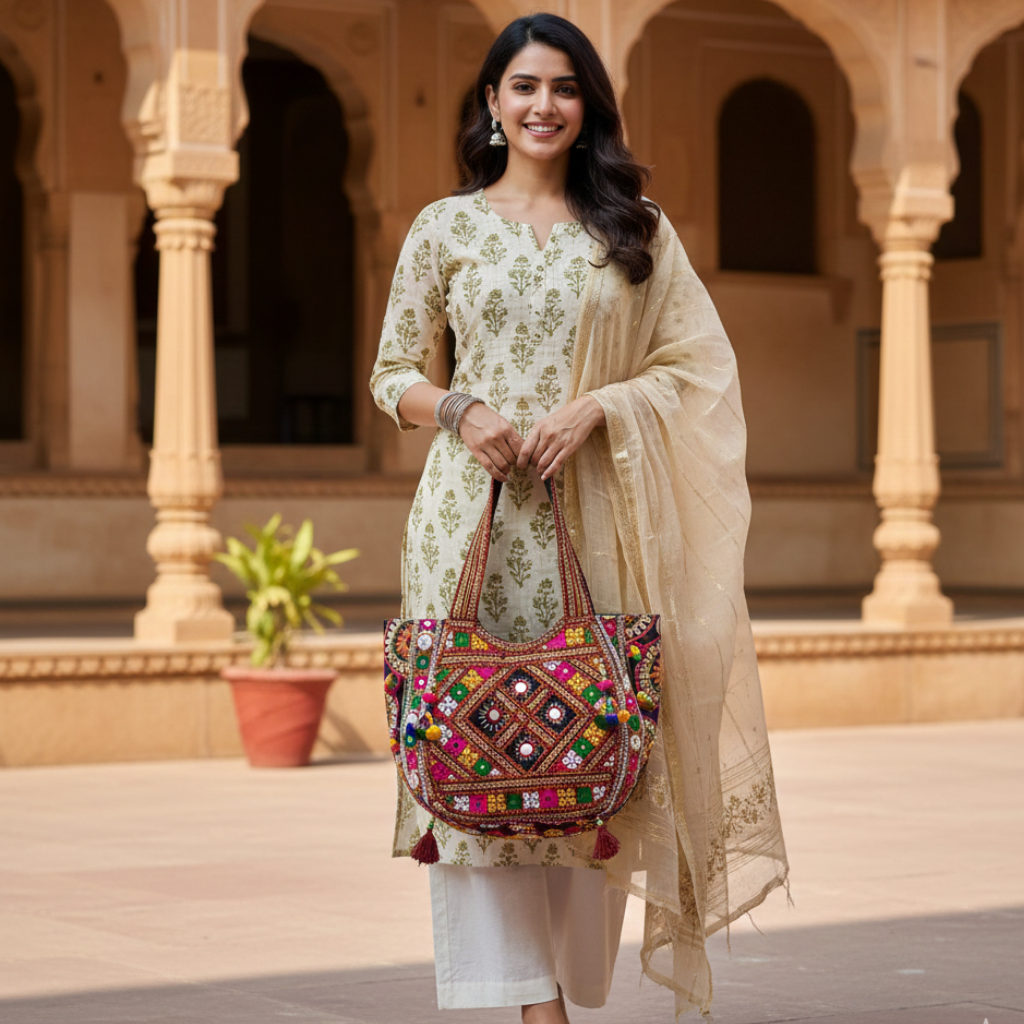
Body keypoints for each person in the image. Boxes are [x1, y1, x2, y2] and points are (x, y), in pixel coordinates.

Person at [370, 13, 788, 1021]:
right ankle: (533, 1005)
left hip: (593, 523)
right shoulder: (443, 227)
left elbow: (697, 367)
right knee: (473, 746)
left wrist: (601, 405)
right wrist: (460, 410)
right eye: (523, 86)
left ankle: (558, 983)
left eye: (563, 87)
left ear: (587, 104)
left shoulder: (633, 230)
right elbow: (391, 375)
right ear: (492, 102)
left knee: (587, 747)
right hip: (468, 526)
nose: (543, 105)